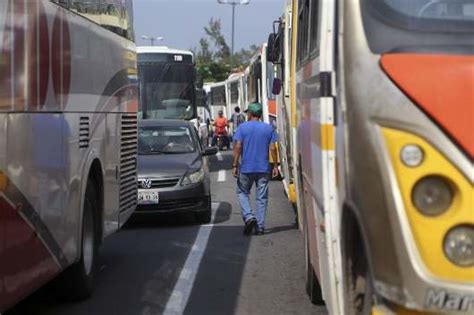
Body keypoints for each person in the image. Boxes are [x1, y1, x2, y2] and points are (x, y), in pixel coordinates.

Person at [232, 103, 278, 236]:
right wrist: (275, 166)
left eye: (247, 113)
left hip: (246, 168)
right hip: (263, 168)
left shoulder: (242, 127)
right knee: (262, 198)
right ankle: (260, 227)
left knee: (242, 192)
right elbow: (273, 148)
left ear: (250, 114)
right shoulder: (268, 128)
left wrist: (235, 165)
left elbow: (238, 146)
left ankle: (249, 216)